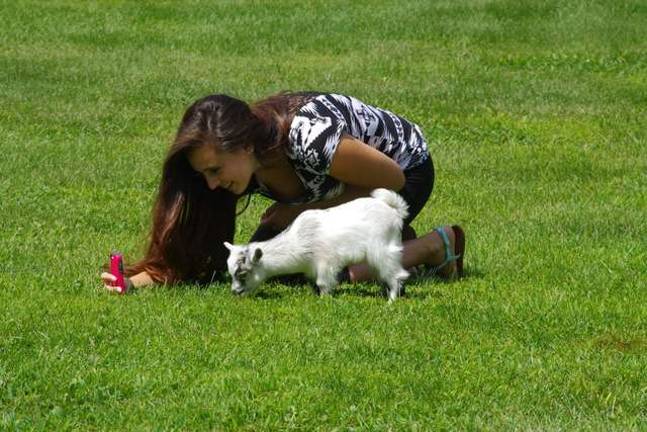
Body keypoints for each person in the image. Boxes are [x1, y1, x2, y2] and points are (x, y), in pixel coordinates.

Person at [101, 92, 465, 292]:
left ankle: (437, 245)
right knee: (273, 265)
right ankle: (391, 242)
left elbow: (393, 179)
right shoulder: (239, 168)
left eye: (215, 170)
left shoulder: (309, 138)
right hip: (340, 189)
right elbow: (197, 255)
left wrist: (300, 213)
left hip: (405, 170)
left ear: (244, 145)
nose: (211, 184)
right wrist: (133, 282)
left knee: (337, 274)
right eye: (203, 174)